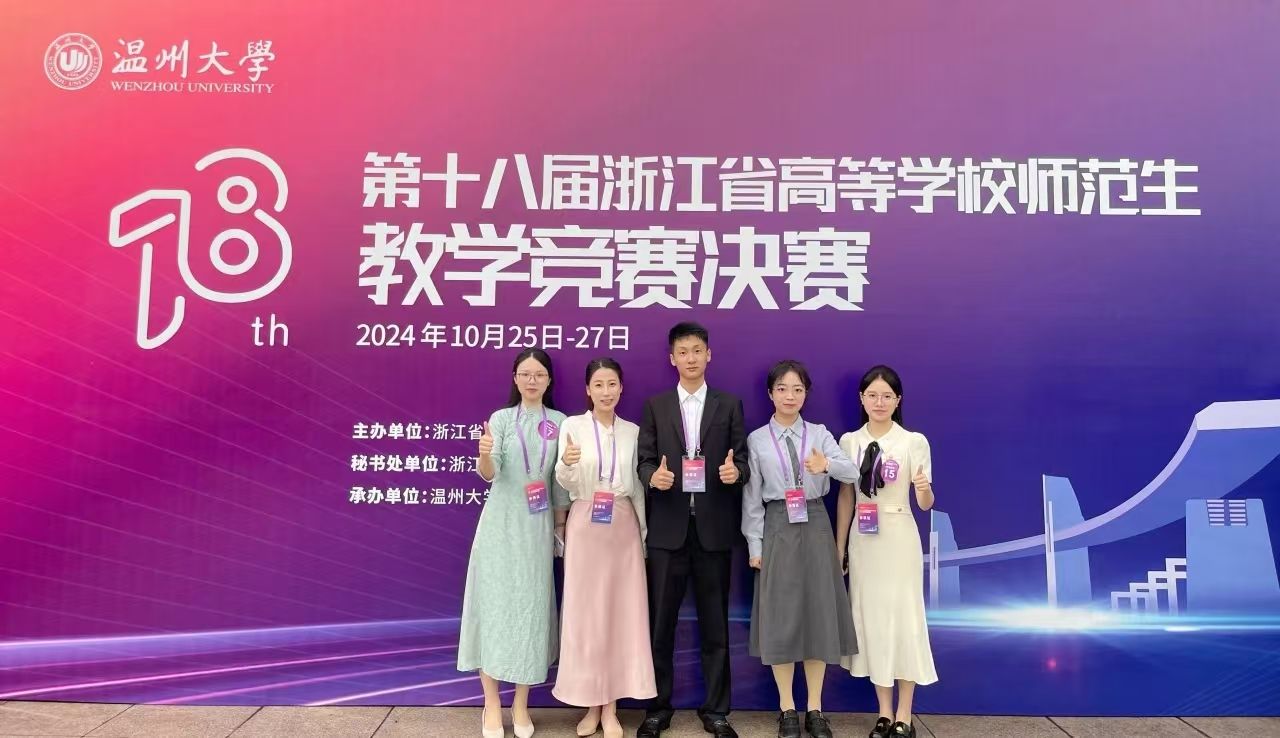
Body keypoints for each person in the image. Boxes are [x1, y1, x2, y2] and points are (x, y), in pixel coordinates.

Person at [636, 321, 749, 738]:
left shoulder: (729, 405)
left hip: (713, 530)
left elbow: (744, 461)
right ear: (672, 358)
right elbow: (643, 460)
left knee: (715, 626)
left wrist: (736, 473)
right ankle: (657, 708)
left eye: (697, 350)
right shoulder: (656, 406)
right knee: (660, 626)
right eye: (682, 352)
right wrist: (653, 478)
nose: (690, 358)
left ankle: (716, 711)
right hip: (668, 532)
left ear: (708, 355)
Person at [742, 360, 859, 738]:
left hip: (815, 523)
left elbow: (852, 473)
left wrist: (826, 465)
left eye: (797, 389)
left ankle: (815, 708)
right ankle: (787, 708)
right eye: (782, 389)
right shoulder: (758, 439)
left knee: (817, 616)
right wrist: (755, 543)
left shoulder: (820, 434)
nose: (789, 396)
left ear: (806, 393)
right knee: (782, 617)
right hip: (777, 525)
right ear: (770, 393)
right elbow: (752, 498)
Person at [458, 348, 567, 738]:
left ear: (549, 380)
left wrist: (560, 529)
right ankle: (491, 703)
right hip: (500, 528)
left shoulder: (560, 422)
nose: (532, 380)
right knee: (493, 609)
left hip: (536, 530)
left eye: (539, 374)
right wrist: (484, 455)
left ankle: (521, 703)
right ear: (515, 379)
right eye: (525, 374)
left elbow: (559, 483)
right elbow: (490, 473)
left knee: (530, 612)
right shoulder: (501, 419)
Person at [553, 357, 656, 738]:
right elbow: (563, 481)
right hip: (585, 522)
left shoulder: (633, 431)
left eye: (612, 384)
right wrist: (567, 464)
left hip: (623, 525)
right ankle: (590, 704)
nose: (606, 391)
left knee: (620, 616)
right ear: (587, 389)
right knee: (587, 616)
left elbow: (639, 490)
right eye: (598, 384)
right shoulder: (572, 426)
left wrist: (642, 537)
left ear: (621, 388)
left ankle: (611, 706)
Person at [835, 365, 937, 738]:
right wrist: (840, 547)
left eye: (887, 396)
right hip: (864, 540)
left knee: (904, 619)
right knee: (873, 621)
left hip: (899, 536)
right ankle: (883, 711)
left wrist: (923, 487)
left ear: (898, 401)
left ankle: (904, 715)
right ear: (862, 399)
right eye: (872, 395)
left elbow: (925, 504)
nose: (879, 402)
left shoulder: (913, 442)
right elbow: (846, 497)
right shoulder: (849, 442)